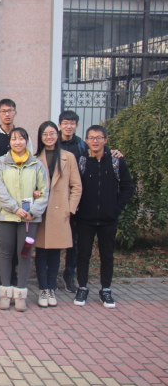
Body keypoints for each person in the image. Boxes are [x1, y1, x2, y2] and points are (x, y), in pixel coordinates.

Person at [57, 110, 123, 293]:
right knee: (54, 240)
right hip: (57, 199)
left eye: (72, 123)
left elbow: (98, 154)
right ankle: (50, 276)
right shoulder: (53, 144)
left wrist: (113, 152)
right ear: (60, 125)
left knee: (75, 242)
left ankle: (69, 275)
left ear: (76, 126)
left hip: (78, 203)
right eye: (65, 123)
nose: (68, 126)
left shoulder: (81, 146)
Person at [74, 125, 133, 309]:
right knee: (83, 255)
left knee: (107, 256)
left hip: (108, 219)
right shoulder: (81, 161)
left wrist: (116, 208)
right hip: (85, 218)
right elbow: (74, 186)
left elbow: (128, 187)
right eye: (91, 138)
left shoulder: (116, 161)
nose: (95, 141)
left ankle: (106, 289)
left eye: (99, 137)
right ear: (86, 140)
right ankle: (82, 287)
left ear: (105, 140)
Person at [0, 127, 49, 312]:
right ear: (9, 142)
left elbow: (44, 191)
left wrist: (33, 211)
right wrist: (15, 208)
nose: (17, 142)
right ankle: (5, 294)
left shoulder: (36, 164)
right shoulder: (1, 162)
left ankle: (20, 295)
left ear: (27, 141)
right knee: (6, 253)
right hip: (7, 215)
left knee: (24, 254)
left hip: (29, 218)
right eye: (14, 139)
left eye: (21, 139)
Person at [33, 122, 82, 307]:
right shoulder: (35, 158)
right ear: (40, 137)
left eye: (52, 133)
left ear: (58, 134)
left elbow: (76, 186)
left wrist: (70, 208)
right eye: (45, 134)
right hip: (41, 211)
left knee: (55, 251)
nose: (49, 137)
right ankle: (43, 289)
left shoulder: (68, 157)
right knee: (40, 251)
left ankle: (52, 288)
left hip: (60, 210)